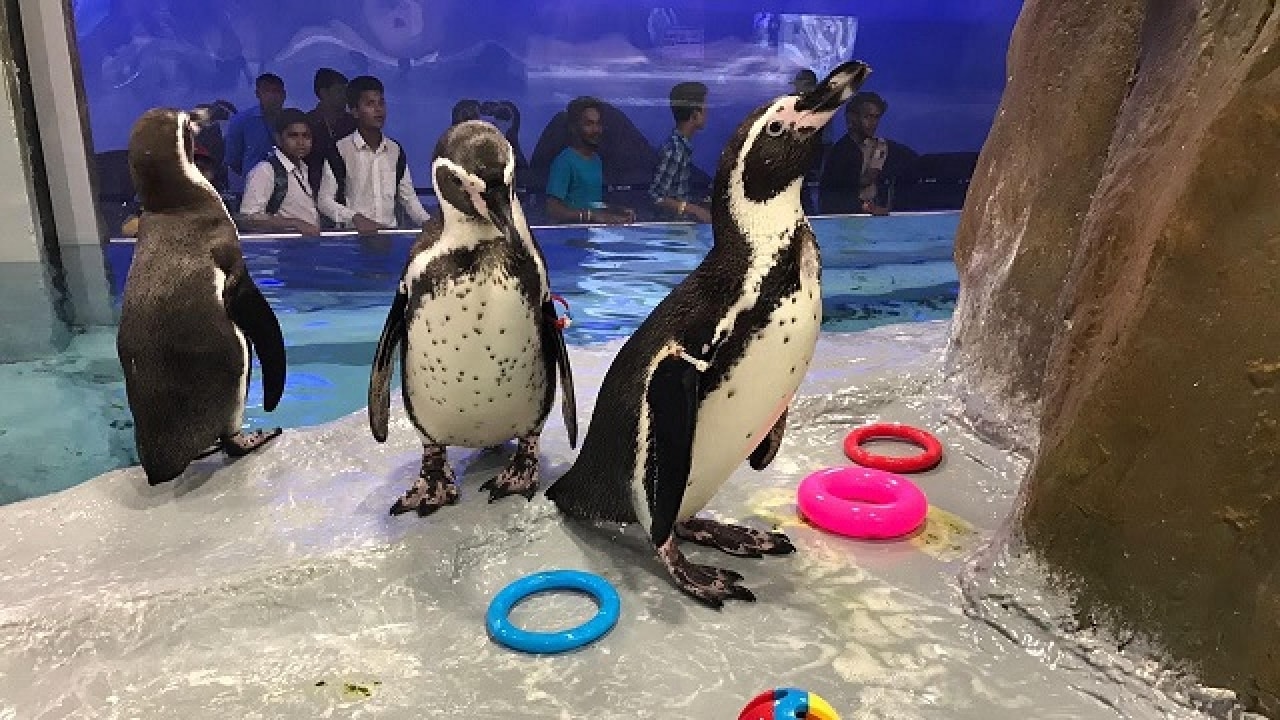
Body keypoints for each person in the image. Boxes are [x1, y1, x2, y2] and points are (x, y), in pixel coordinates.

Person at [317, 75, 431, 235]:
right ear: (355, 111)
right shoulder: (340, 150)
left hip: (389, 238)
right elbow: (324, 201)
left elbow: (408, 198)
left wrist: (427, 222)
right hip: (353, 240)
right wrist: (355, 218)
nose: (378, 110)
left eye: (381, 103)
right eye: (370, 104)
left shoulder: (395, 149)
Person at [544, 96, 634, 225]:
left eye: (598, 124)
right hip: (571, 238)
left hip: (593, 237)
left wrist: (617, 210)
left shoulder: (596, 160)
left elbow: (591, 203)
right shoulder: (564, 162)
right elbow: (553, 210)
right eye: (589, 124)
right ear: (574, 127)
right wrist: (590, 217)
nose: (596, 130)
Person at [237, 108, 322, 236]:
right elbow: (248, 219)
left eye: (306, 136)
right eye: (293, 135)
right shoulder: (265, 170)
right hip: (281, 251)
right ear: (278, 138)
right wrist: (293, 223)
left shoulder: (303, 168)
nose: (301, 142)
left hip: (306, 249)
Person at [820, 92, 895, 215]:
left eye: (876, 117)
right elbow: (837, 196)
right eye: (867, 116)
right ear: (852, 118)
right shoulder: (842, 152)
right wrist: (868, 209)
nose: (873, 122)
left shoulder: (879, 146)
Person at [649, 81, 711, 223]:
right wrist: (693, 209)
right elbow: (656, 196)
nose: (707, 112)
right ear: (695, 115)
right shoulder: (674, 150)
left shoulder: (682, 147)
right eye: (705, 108)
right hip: (671, 229)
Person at [224, 73, 286, 181]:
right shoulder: (240, 121)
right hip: (253, 187)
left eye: (276, 91)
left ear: (283, 94)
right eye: (266, 91)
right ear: (258, 94)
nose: (272, 96)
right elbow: (233, 160)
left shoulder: (293, 120)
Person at [306, 68, 357, 191]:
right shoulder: (306, 123)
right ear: (324, 93)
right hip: (312, 191)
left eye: (346, 92)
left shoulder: (354, 124)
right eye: (340, 91)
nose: (345, 97)